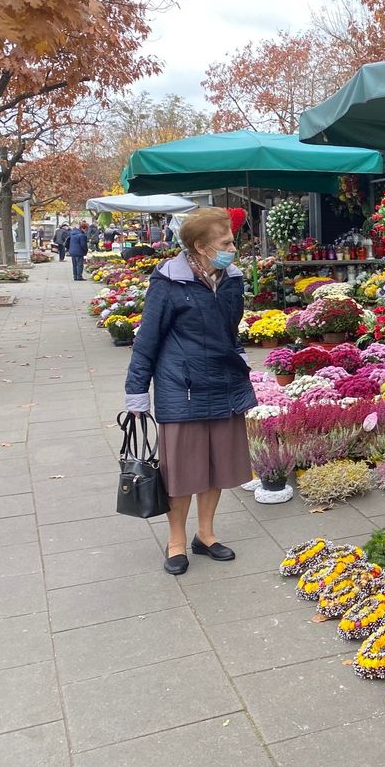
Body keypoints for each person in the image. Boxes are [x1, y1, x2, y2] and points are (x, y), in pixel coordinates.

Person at [124, 207, 255, 575]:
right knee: (182, 472)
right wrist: (137, 391)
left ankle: (206, 534)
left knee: (216, 467)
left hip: (224, 382)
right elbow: (147, 340)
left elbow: (231, 328)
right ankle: (177, 540)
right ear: (200, 245)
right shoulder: (168, 282)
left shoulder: (232, 279)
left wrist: (240, 356)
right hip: (181, 388)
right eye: (226, 242)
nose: (234, 247)